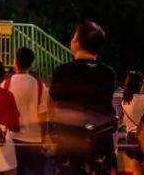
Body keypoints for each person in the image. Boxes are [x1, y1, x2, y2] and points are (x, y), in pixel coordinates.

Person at [48, 20, 117, 173]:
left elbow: (54, 104)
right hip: (100, 143)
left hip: (71, 145)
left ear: (77, 43)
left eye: (74, 37)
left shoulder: (62, 72)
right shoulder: (108, 73)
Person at [3, 48, 49, 175]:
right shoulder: (40, 86)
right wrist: (44, 138)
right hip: (34, 139)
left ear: (15, 62)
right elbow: (43, 114)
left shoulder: (6, 84)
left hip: (12, 138)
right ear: (31, 63)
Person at [117, 70, 144, 175]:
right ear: (139, 84)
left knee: (136, 167)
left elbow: (122, 123)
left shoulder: (124, 102)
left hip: (130, 139)